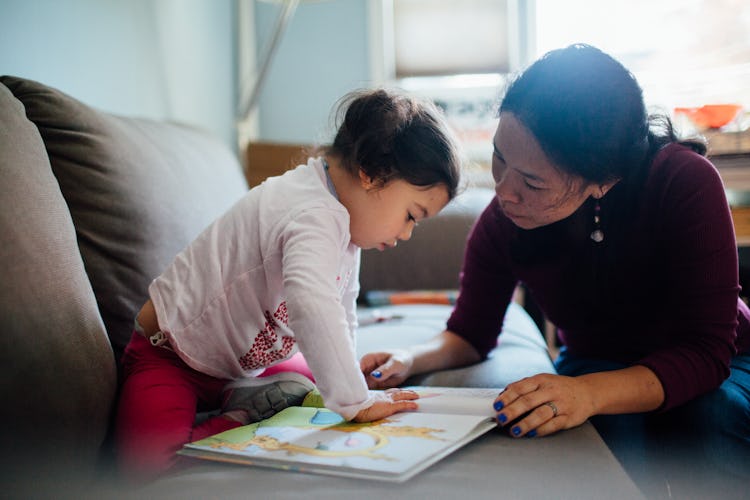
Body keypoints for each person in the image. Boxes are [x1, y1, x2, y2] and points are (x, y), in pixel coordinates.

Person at [361, 44, 750, 493]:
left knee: (711, 417)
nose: (504, 192)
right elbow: (470, 333)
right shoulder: (502, 222)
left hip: (720, 361)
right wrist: (407, 358)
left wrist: (589, 393)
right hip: (595, 360)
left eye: (531, 181)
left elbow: (705, 352)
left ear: (603, 180)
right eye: (499, 157)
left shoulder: (683, 182)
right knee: (600, 444)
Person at [114, 88, 462, 479]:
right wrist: (354, 402)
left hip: (241, 369)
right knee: (145, 466)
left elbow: (342, 308)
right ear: (370, 173)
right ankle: (248, 416)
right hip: (170, 356)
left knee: (327, 378)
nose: (407, 233)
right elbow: (313, 306)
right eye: (412, 215)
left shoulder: (346, 224)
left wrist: (351, 380)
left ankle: (261, 400)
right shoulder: (311, 211)